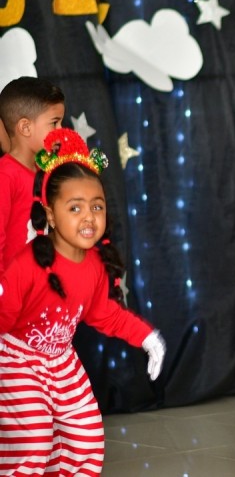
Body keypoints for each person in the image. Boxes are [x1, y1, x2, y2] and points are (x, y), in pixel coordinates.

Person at [0, 128, 165, 476]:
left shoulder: (95, 265)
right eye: (75, 207)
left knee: (87, 435)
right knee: (35, 439)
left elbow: (105, 314)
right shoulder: (28, 265)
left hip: (62, 360)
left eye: (97, 207)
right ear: (50, 214)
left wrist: (147, 338)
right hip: (18, 359)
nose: (89, 217)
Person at [0, 76, 65, 277]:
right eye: (54, 123)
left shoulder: (47, 173)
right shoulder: (5, 176)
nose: (61, 131)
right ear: (25, 128)